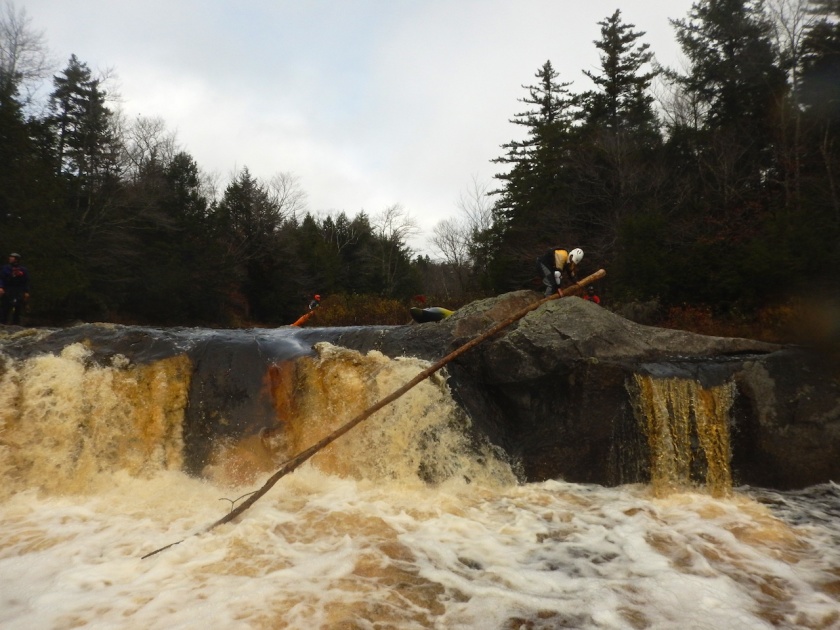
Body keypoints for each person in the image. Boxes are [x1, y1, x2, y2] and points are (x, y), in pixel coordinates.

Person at [0, 252, 31, 325]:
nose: (10, 258)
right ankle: (2, 323)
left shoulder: (23, 270)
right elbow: (1, 278)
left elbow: (26, 281)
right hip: (8, 289)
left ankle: (16, 324)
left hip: (18, 291)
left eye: (12, 257)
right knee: (5, 307)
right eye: (10, 257)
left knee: (18, 308)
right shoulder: (5, 268)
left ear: (16, 259)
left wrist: (26, 292)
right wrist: (1, 287)